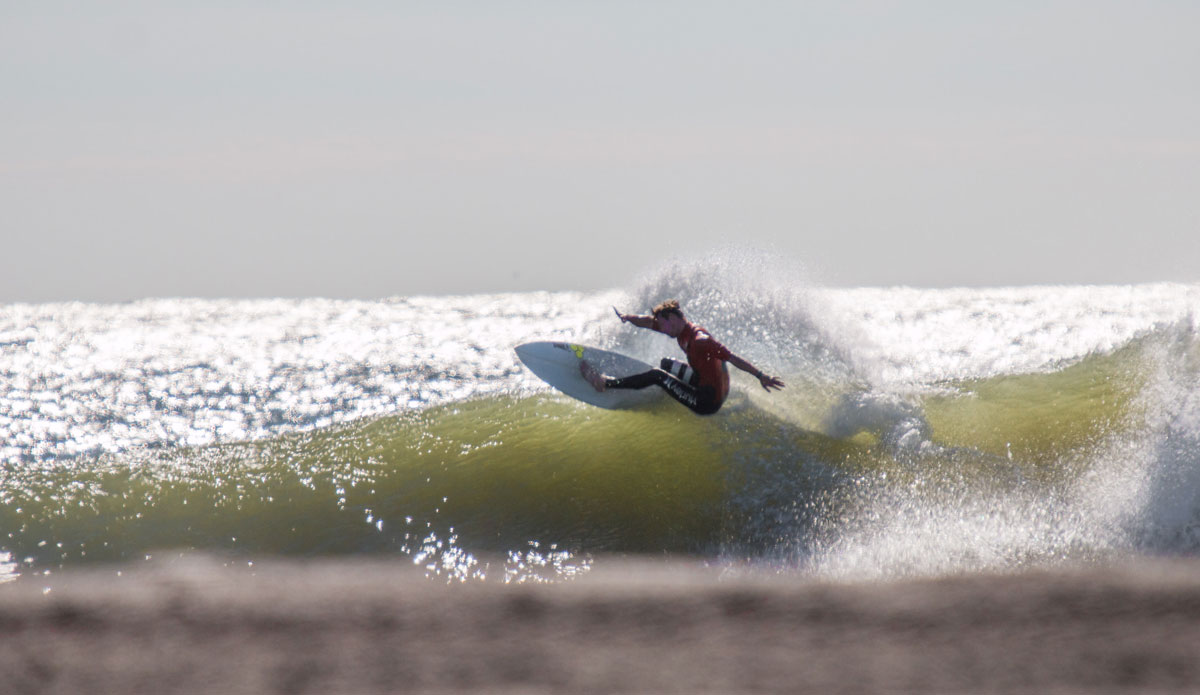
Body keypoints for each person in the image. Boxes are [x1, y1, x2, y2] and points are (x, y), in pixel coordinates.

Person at [580, 299, 785, 415]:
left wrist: (761, 376)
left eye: (662, 324)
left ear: (673, 318)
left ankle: (606, 384)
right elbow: (648, 322)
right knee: (665, 363)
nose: (660, 328)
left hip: (707, 402)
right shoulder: (680, 330)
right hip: (705, 383)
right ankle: (665, 387)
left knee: (657, 375)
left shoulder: (700, 340)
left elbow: (732, 358)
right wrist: (627, 318)